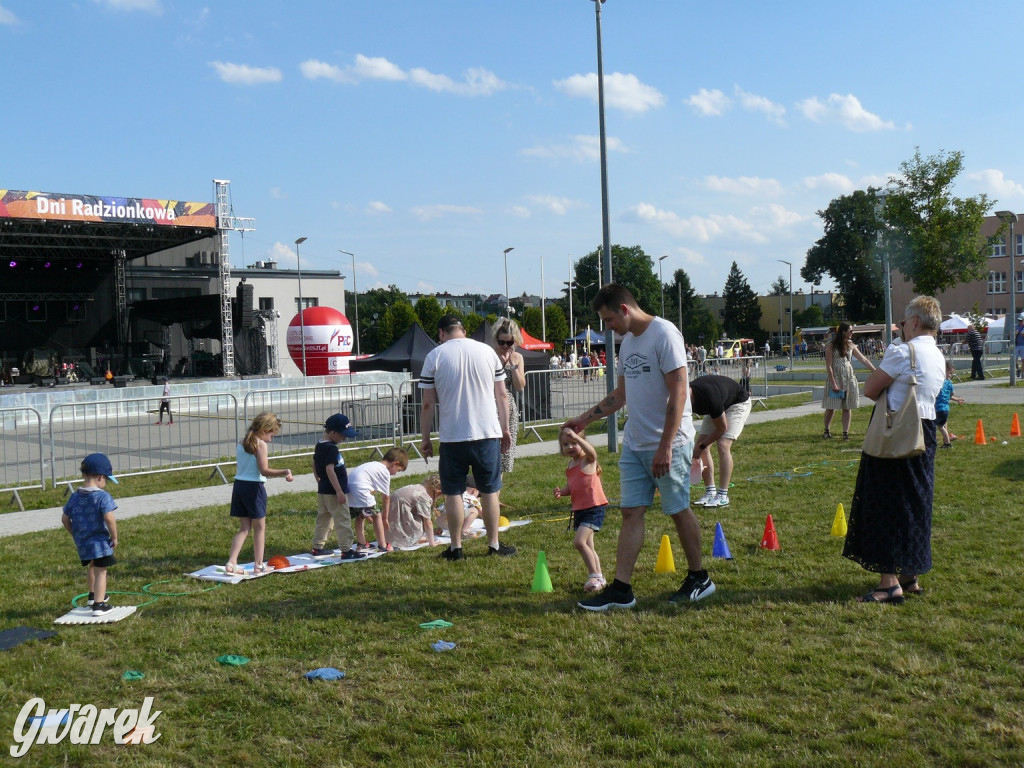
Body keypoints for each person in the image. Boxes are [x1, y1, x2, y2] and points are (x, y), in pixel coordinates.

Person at [565, 283, 714, 611]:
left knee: (677, 510)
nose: (607, 328)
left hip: (669, 443)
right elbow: (621, 394)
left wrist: (665, 447)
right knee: (631, 512)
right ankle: (621, 589)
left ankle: (699, 578)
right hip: (635, 444)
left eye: (607, 320)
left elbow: (678, 393)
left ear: (624, 309)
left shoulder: (664, 334)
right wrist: (583, 420)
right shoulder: (627, 344)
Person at [843, 296, 946, 603]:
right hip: (925, 434)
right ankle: (909, 574)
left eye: (903, 322)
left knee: (885, 504)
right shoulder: (938, 356)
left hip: (895, 434)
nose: (902, 328)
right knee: (915, 503)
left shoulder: (903, 351)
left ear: (914, 321)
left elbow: (871, 389)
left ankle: (888, 584)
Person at [420, 314, 515, 560]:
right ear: (462, 330)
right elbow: (502, 396)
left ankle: (456, 547)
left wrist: (425, 438)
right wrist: (505, 429)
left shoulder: (434, 356)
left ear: (441, 333)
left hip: (453, 436)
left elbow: (428, 404)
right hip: (487, 433)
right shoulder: (487, 352)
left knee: (452, 493)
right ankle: (494, 544)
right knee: (490, 490)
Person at [226, 412, 294, 575]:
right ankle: (259, 565)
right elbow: (264, 470)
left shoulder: (242, 442)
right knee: (260, 528)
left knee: (244, 528)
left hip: (239, 486)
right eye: (272, 434)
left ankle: (231, 562)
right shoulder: (261, 444)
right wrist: (285, 471)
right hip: (254, 488)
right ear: (265, 429)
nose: (272, 437)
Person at [62, 453, 119, 616]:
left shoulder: (74, 496)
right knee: (101, 570)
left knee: (92, 565)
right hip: (99, 542)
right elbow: (109, 517)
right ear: (101, 477)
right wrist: (114, 537)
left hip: (83, 541)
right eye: (107, 479)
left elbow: (65, 518)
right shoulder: (102, 496)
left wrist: (75, 533)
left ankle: (93, 595)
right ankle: (99, 605)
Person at [554, 428, 609, 593]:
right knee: (589, 546)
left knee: (579, 542)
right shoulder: (571, 465)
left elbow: (593, 452)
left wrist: (577, 436)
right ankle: (600, 577)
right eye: (565, 444)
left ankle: (594, 575)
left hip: (594, 507)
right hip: (580, 510)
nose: (570, 447)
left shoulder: (587, 460)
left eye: (574, 443)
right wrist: (562, 492)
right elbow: (572, 486)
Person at [689, 375, 752, 509]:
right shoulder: (682, 398)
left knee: (723, 444)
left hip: (737, 403)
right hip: (718, 406)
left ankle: (723, 496)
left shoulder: (709, 397)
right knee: (702, 447)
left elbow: (722, 428)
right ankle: (710, 492)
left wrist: (701, 446)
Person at [310, 413, 365, 560]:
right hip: (334, 493)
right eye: (343, 435)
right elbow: (330, 469)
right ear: (333, 433)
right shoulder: (331, 449)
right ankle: (347, 550)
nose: (345, 438)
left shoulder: (320, 444)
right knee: (342, 520)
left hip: (323, 491)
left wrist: (318, 480)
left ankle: (317, 547)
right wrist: (339, 490)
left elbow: (314, 462)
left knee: (324, 520)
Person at [348, 448, 409, 552]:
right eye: (398, 470)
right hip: (360, 488)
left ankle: (362, 543)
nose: (395, 474)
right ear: (395, 463)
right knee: (377, 515)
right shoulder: (384, 471)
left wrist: (367, 510)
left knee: (360, 516)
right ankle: (383, 545)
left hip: (349, 489)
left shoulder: (373, 464)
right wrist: (384, 518)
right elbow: (386, 497)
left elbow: (371, 488)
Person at [822, 322, 877, 440]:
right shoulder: (831, 346)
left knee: (847, 406)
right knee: (831, 406)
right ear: (843, 332)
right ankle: (826, 430)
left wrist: (874, 370)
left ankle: (845, 433)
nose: (852, 333)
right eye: (850, 331)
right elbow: (829, 365)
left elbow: (863, 359)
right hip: (836, 377)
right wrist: (833, 382)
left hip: (848, 377)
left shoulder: (851, 345)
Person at [491, 317, 525, 474]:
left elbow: (519, 386)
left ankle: (495, 496)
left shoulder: (517, 358)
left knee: (505, 455)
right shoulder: (490, 355)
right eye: (501, 342)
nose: (505, 346)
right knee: (490, 454)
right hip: (490, 405)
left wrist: (512, 365)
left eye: (509, 343)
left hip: (508, 407)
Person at [388, 475, 442, 549]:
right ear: (437, 490)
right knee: (422, 518)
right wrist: (432, 543)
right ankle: (411, 538)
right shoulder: (424, 497)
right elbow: (428, 522)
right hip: (399, 527)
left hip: (388, 528)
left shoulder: (418, 487)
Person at [935, 360, 965, 448]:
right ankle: (946, 440)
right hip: (945, 408)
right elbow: (951, 395)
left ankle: (947, 443)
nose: (950, 375)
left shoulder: (939, 383)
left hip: (938, 408)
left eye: (951, 373)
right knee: (942, 424)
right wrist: (957, 399)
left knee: (939, 426)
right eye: (950, 373)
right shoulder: (949, 383)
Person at [1014, 313, 1024, 377]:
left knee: (1023, 360)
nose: (1020, 322)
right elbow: (1011, 334)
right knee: (1014, 360)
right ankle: (1018, 369)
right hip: (1016, 345)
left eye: (1021, 320)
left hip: (1023, 345)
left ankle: (1023, 373)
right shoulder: (1016, 326)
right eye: (1019, 320)